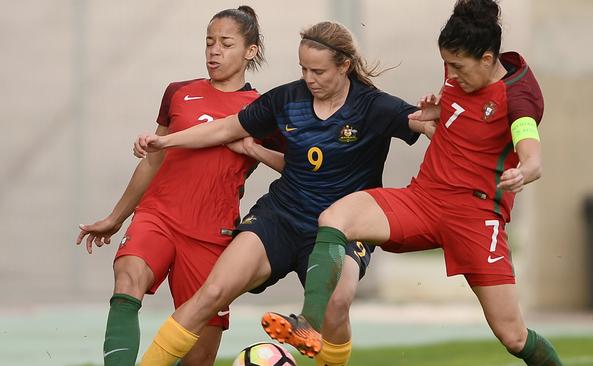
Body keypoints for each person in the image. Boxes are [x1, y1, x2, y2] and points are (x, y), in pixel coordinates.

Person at [265, 1, 566, 365]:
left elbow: (530, 148)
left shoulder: (518, 96)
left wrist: (527, 168)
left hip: (475, 215)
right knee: (334, 218)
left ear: (487, 59)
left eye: (458, 66)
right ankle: (309, 323)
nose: (451, 74)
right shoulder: (458, 67)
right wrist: (436, 111)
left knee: (513, 336)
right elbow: (461, 109)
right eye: (447, 65)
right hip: (423, 199)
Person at [132, 21, 434, 366]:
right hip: (281, 216)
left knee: (336, 304)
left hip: (344, 228)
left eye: (318, 71)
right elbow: (225, 128)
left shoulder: (374, 107)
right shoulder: (286, 99)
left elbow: (424, 124)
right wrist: (165, 140)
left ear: (344, 66)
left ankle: (318, 338)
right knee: (211, 293)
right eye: (303, 68)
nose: (309, 79)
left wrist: (431, 123)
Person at [75, 6, 284, 366]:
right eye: (209, 42)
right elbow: (153, 160)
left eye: (225, 43)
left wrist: (254, 149)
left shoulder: (262, 109)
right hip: (158, 215)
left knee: (198, 357)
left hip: (210, 232)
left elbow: (297, 166)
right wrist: (116, 217)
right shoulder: (178, 92)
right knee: (127, 279)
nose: (214, 51)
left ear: (250, 51)